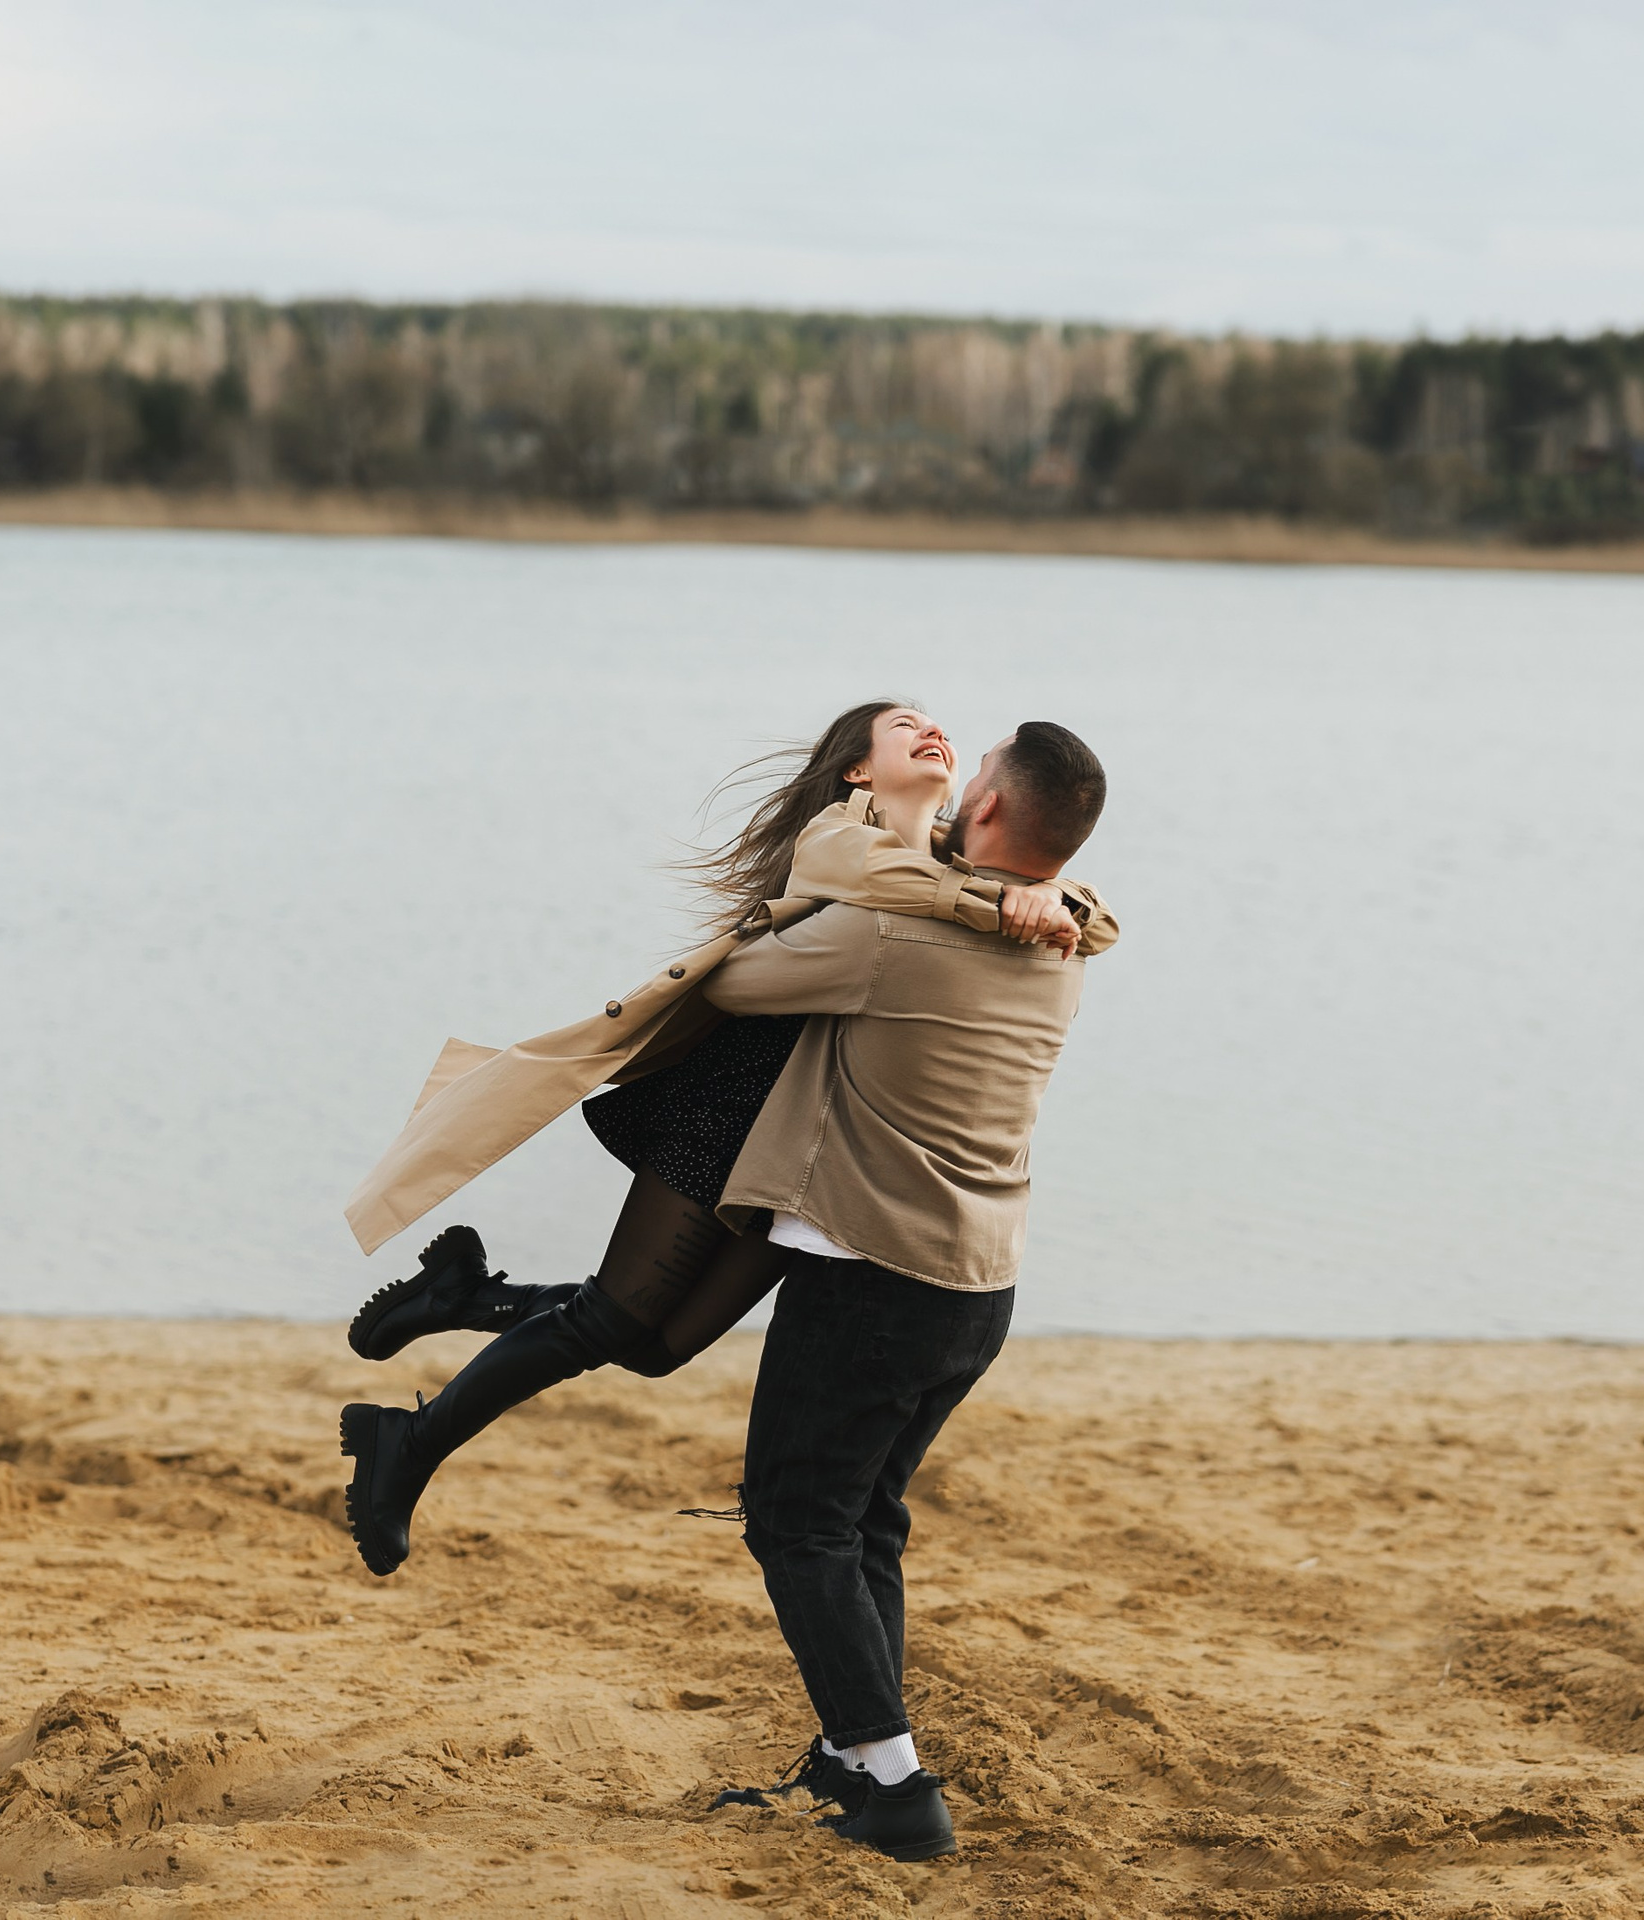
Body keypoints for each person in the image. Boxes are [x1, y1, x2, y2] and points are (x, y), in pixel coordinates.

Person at [336, 704, 1118, 1586]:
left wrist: (1048, 893)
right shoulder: (842, 836)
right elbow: (863, 927)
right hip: (735, 1096)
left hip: (808, 1146)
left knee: (661, 1346)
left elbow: (1063, 904)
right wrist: (1000, 902)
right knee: (611, 1318)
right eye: (903, 727)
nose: (935, 737)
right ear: (858, 772)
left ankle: (467, 1295)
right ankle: (409, 1438)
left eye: (945, 732)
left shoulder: (948, 855)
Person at [701, 720, 1114, 1863]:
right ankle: (847, 1761)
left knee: (794, 1524)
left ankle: (894, 1785)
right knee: (864, 1519)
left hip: (872, 1281)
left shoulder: (889, 937)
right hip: (977, 1289)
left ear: (982, 811)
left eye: (970, 776)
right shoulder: (1065, 942)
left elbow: (732, 980)